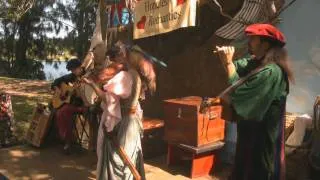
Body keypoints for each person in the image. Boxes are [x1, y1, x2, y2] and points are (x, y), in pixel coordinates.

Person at [216, 23, 294, 180]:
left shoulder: (272, 72)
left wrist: (228, 63)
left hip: (261, 139)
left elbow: (239, 93)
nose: (249, 43)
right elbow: (236, 69)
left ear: (265, 44)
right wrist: (225, 59)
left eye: (253, 39)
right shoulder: (257, 63)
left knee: (259, 172)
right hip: (249, 135)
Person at [83, 42, 156, 180]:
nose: (113, 62)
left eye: (115, 58)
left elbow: (108, 100)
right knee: (129, 159)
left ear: (124, 57)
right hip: (133, 122)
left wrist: (92, 84)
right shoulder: (137, 76)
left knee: (117, 159)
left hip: (123, 123)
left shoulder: (124, 77)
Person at [51, 58, 88, 153]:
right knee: (55, 110)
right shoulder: (72, 76)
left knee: (63, 112)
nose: (73, 72)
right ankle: (62, 138)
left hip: (83, 105)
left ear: (80, 67)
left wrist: (79, 92)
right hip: (71, 104)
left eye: (74, 69)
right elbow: (56, 81)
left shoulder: (87, 76)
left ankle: (67, 141)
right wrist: (59, 90)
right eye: (71, 70)